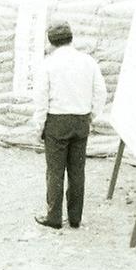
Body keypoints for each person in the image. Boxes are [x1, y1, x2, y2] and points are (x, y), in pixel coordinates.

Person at [32, 21, 107, 230]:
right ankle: (75, 219)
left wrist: (38, 127)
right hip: (81, 120)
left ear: (50, 42)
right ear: (71, 38)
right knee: (77, 171)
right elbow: (101, 92)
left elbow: (41, 100)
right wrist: (91, 115)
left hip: (56, 121)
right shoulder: (88, 61)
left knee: (55, 170)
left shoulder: (47, 64)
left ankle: (54, 217)